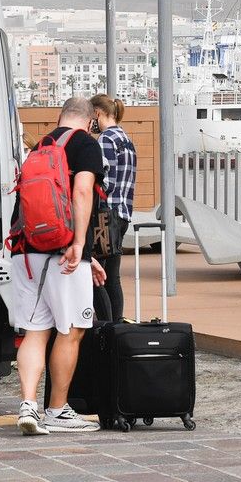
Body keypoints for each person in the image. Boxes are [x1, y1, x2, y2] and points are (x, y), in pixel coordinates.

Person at [12, 97, 106, 435]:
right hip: (64, 252)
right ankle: (56, 410)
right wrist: (80, 245)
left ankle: (28, 404)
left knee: (35, 331)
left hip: (24, 250)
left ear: (59, 117)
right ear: (92, 120)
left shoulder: (40, 146)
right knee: (71, 330)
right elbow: (82, 192)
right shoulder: (85, 145)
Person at [91, 94, 137, 323]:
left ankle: (106, 327)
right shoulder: (126, 139)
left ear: (98, 113)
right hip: (123, 213)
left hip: (105, 216)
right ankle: (116, 327)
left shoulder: (106, 140)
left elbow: (105, 181)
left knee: (96, 277)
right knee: (113, 278)